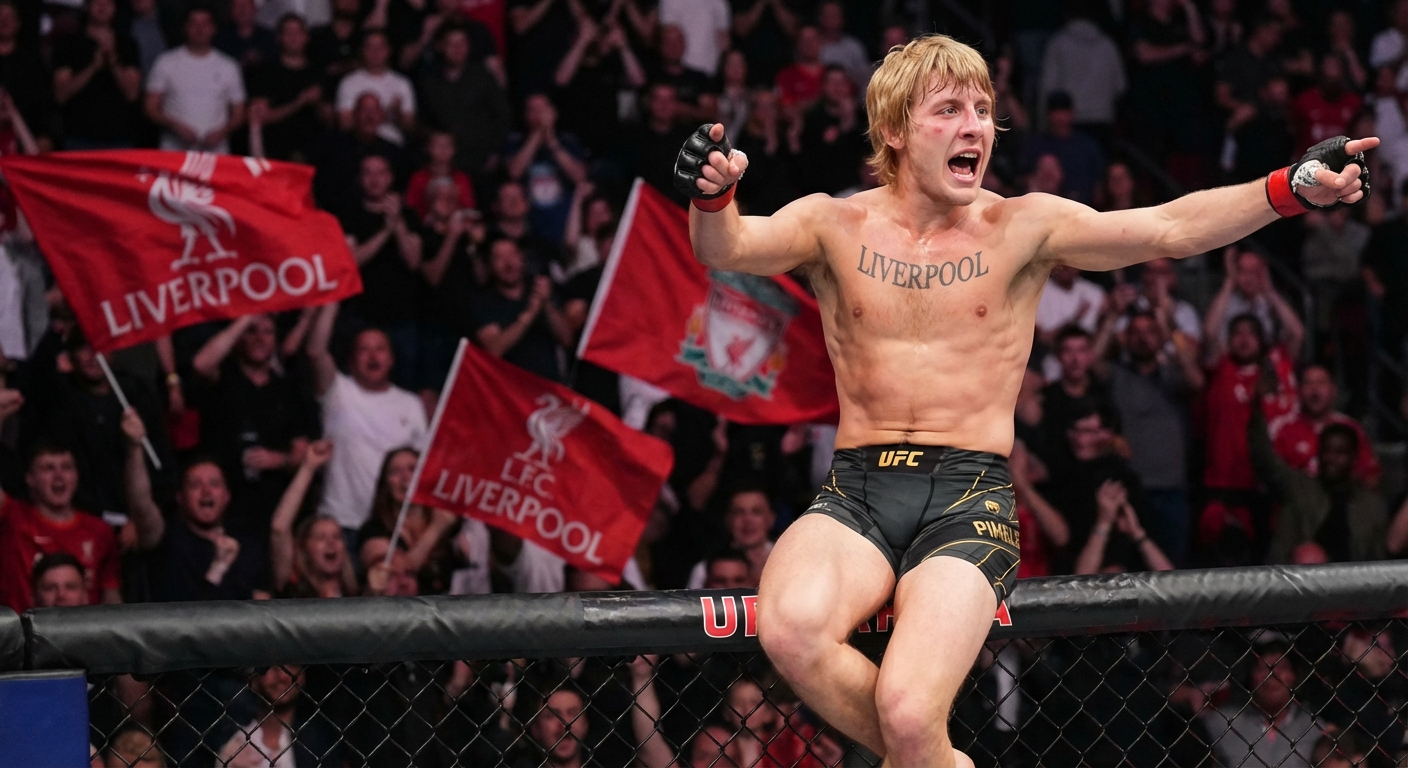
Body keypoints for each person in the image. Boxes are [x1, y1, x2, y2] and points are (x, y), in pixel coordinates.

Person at [676, 32, 1372, 765]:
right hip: (857, 489)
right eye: (947, 110)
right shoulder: (832, 222)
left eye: (982, 108)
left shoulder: (1023, 226)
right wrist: (711, 193)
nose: (973, 124)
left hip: (965, 496)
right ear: (893, 131)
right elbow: (727, 248)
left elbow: (1167, 228)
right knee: (786, 628)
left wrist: (1287, 188)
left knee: (911, 714)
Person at [306, 303, 428, 545]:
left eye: (380, 349)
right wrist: (332, 299)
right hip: (341, 523)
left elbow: (421, 467)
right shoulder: (338, 391)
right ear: (351, 360)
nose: (373, 356)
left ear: (391, 359)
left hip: (391, 527)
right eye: (364, 350)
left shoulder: (411, 404)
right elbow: (315, 352)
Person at [189, 313, 318, 536]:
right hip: (227, 510)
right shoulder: (225, 378)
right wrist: (247, 315)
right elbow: (201, 364)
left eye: (268, 332)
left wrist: (279, 460)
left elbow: (303, 451)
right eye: (252, 331)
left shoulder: (288, 390)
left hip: (277, 509)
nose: (260, 338)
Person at [0, 440, 145, 611]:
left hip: (83, 634)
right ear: (30, 479)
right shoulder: (11, 517)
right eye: (48, 468)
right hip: (20, 633)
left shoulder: (99, 531)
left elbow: (111, 597)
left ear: (77, 476)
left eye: (67, 467)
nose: (59, 476)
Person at [1250, 388, 1386, 565]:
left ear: (1353, 458)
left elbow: (1378, 562)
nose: (1331, 458)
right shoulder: (1299, 488)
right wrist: (1256, 411)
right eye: (1326, 451)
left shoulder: (1371, 507)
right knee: (1309, 555)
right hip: (1297, 583)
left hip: (1351, 586)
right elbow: (1265, 460)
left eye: (1339, 452)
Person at [1202, 634, 1324, 767]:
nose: (1272, 677)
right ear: (1250, 675)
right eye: (1263, 668)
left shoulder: (1314, 728)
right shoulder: (1222, 723)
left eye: (1282, 668)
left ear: (1295, 675)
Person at [144, 6, 246, 153]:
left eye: (205, 24)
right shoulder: (166, 62)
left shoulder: (228, 66)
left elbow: (239, 111)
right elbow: (150, 107)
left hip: (216, 153)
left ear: (213, 29)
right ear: (185, 28)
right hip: (174, 152)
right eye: (194, 24)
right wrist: (174, 126)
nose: (200, 29)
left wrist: (223, 132)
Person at [52, 0, 142, 150]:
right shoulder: (68, 44)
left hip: (120, 138)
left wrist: (112, 61)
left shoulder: (127, 44)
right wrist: (93, 67)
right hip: (78, 137)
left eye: (108, 3)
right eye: (97, 2)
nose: (102, 7)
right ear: (87, 7)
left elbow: (132, 94)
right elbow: (60, 95)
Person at [1271, 364, 1379, 486]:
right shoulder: (1282, 429)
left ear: (1333, 390)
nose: (1314, 390)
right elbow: (1272, 475)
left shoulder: (1351, 428)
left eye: (1321, 383)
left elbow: (1371, 476)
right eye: (1308, 383)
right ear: (1299, 390)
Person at [685, 485, 775, 588]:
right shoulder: (703, 569)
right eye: (739, 512)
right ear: (727, 520)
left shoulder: (789, 560)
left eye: (756, 512)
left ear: (771, 518)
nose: (748, 520)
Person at [335, 30, 415, 146]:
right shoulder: (349, 82)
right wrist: (383, 115)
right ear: (363, 51)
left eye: (380, 47)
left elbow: (410, 126)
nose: (375, 52)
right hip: (357, 144)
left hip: (393, 144)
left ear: (388, 50)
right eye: (370, 47)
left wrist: (397, 115)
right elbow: (345, 123)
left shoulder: (402, 83)